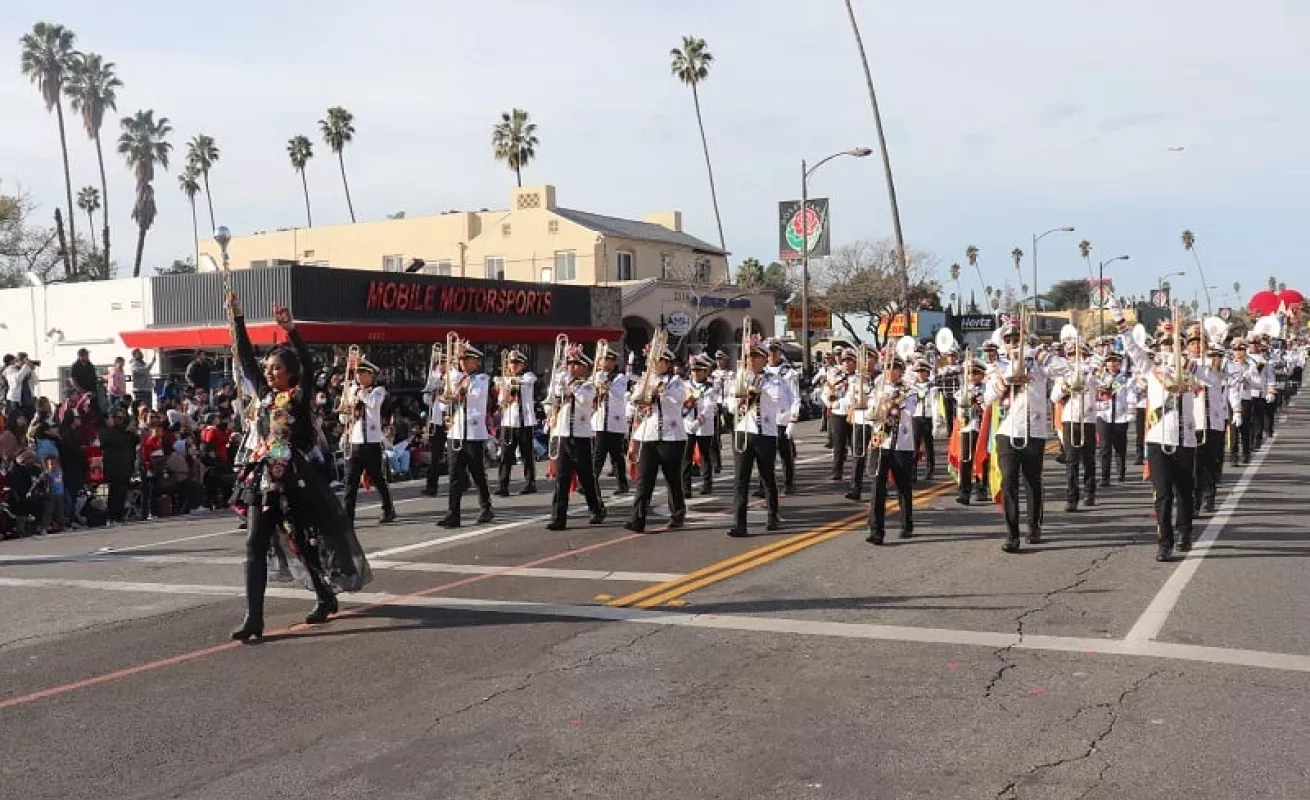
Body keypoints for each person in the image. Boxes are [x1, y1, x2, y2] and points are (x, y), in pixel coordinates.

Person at [224, 292, 371, 641]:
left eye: (277, 368)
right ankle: (254, 618)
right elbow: (245, 358)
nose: (269, 372)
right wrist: (238, 319)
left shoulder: (298, 397)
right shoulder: (262, 394)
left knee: (304, 542)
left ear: (289, 373)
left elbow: (307, 364)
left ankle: (324, 594)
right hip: (262, 477)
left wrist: (291, 331)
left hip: (295, 478)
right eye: (268, 368)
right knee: (255, 543)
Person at [1116, 314, 1200, 561]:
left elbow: (1210, 378)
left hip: (1184, 438)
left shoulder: (1192, 368)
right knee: (1163, 494)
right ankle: (1165, 542)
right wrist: (1121, 323)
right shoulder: (1152, 370)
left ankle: (1184, 531)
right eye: (1164, 344)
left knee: (1185, 492)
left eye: (1174, 343)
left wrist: (1191, 362)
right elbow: (1131, 348)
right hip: (1157, 439)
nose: (1168, 348)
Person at [983, 325, 1066, 553]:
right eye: (1008, 339)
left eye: (1016, 338)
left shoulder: (1038, 362)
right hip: (1007, 431)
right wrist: (1003, 384)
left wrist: (1042, 355)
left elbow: (1065, 370)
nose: (1013, 343)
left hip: (1034, 430)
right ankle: (1012, 535)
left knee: (1032, 481)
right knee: (1008, 481)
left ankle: (1033, 525)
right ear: (1003, 343)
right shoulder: (998, 367)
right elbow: (987, 398)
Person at [726, 340, 788, 537]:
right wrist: (739, 399)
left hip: (765, 433)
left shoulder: (774, 380)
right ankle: (739, 523)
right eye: (748, 357)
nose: (751, 361)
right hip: (743, 430)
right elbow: (728, 403)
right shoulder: (739, 378)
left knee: (767, 476)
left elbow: (782, 404)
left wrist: (759, 393)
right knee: (740, 479)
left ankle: (772, 515)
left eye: (755, 357)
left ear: (764, 359)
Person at [624, 344, 687, 534]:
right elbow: (635, 400)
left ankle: (677, 514)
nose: (654, 364)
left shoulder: (675, 381)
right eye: (652, 360)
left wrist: (659, 390)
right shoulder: (645, 379)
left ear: (666, 363)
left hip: (671, 436)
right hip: (649, 435)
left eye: (658, 361)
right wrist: (645, 390)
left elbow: (678, 399)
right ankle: (638, 519)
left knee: (672, 479)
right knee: (644, 479)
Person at [543, 345, 607, 530]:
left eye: (575, 364)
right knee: (562, 479)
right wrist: (557, 388)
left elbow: (585, 399)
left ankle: (597, 509)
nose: (571, 367)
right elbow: (551, 401)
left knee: (586, 478)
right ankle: (558, 518)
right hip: (564, 434)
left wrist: (568, 385)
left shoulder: (588, 386)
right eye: (569, 364)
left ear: (584, 367)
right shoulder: (562, 383)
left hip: (581, 436)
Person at [439, 343, 495, 529]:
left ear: (475, 362)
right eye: (461, 360)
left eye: (466, 359)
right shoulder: (453, 378)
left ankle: (486, 507)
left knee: (477, 473)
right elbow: (443, 404)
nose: (462, 363)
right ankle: (453, 514)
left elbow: (476, 394)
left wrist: (458, 384)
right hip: (455, 431)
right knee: (455, 476)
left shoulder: (481, 378)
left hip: (473, 433)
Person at [338, 356, 397, 526]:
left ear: (371, 375)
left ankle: (388, 509)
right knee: (350, 481)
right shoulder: (353, 391)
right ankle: (348, 516)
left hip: (372, 442)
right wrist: (347, 405)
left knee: (378, 478)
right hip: (355, 441)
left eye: (363, 373)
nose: (359, 377)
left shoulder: (378, 391)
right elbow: (343, 418)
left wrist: (357, 393)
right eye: (358, 373)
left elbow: (372, 404)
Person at [866, 357, 918, 544]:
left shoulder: (909, 390)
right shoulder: (877, 389)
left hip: (901, 444)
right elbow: (869, 414)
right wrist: (878, 408)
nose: (890, 371)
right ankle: (876, 530)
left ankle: (906, 523)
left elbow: (911, 409)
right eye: (888, 367)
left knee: (903, 487)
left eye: (895, 368)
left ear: (900, 370)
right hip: (880, 442)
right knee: (877, 487)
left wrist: (896, 405)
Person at [1051, 341, 1099, 512]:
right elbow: (1054, 397)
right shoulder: (1063, 374)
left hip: (1088, 419)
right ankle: (1071, 497)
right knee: (1072, 460)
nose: (1075, 358)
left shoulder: (1092, 370)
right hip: (1070, 419)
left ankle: (1089, 492)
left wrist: (1088, 372)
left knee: (1089, 459)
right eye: (1071, 355)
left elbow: (1101, 384)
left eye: (1079, 354)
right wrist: (1065, 387)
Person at [1192, 340, 1228, 514]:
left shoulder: (1217, 374)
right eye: (1212, 356)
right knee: (1195, 465)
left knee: (1210, 463)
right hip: (1195, 424)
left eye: (1218, 357)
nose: (1215, 359)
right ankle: (1195, 500)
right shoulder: (1194, 368)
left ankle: (1209, 497)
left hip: (1213, 424)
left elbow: (1210, 378)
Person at [495, 350, 538, 497]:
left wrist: (509, 381)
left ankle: (530, 483)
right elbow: (501, 401)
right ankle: (503, 484)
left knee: (527, 454)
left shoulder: (528, 376)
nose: (512, 366)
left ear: (522, 364)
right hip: (509, 422)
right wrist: (504, 391)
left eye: (515, 363)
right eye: (510, 363)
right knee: (506, 455)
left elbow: (528, 381)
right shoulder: (505, 380)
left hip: (525, 421)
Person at [590, 347, 630, 495]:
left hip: (615, 422)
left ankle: (622, 484)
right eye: (602, 359)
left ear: (613, 362)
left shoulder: (620, 377)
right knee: (597, 455)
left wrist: (605, 382)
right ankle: (590, 484)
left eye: (607, 360)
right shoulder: (596, 375)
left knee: (617, 456)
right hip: (600, 421)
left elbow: (619, 394)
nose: (603, 362)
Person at [765, 341, 800, 495]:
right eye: (769, 351)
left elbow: (795, 397)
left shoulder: (788, 373)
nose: (772, 355)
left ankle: (788, 483)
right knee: (765, 455)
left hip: (782, 418)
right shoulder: (762, 371)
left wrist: (792, 419)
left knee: (785, 454)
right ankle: (763, 485)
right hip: (766, 419)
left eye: (775, 351)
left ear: (780, 353)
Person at [682, 355, 720, 497]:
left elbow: (709, 407)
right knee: (686, 457)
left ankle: (707, 484)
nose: (696, 374)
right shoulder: (685, 386)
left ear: (705, 372)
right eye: (694, 371)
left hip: (703, 427)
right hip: (687, 425)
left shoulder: (710, 388)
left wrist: (699, 421)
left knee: (705, 455)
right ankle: (685, 487)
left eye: (699, 371)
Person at [953, 360, 988, 504]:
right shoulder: (963, 390)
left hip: (982, 428)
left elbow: (989, 406)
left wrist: (980, 402)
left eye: (976, 373)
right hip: (967, 427)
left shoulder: (987, 389)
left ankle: (981, 488)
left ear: (982, 374)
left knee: (982, 458)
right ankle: (964, 491)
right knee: (965, 459)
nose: (973, 376)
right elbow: (959, 405)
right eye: (970, 373)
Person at [1095, 352, 1133, 486]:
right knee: (1104, 447)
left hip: (1120, 416)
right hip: (1103, 415)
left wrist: (1129, 412)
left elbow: (1131, 396)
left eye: (1115, 361)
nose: (1112, 364)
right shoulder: (1099, 377)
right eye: (1109, 361)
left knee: (1120, 446)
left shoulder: (1125, 378)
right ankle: (1105, 477)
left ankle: (1121, 472)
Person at [826, 350, 857, 482]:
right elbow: (826, 392)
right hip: (838, 412)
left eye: (850, 361)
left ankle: (857, 472)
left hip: (853, 413)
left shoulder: (860, 378)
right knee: (838, 443)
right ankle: (837, 471)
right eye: (844, 361)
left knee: (854, 444)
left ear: (855, 363)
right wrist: (831, 403)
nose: (847, 364)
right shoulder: (835, 376)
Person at [421, 354, 448, 497]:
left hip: (451, 419)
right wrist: (431, 391)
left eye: (442, 363)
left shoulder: (455, 376)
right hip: (437, 419)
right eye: (438, 363)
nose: (440, 365)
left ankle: (464, 480)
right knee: (435, 455)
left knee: (459, 453)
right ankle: (432, 486)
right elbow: (425, 399)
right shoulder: (434, 377)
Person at [907, 361, 938, 481]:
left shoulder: (932, 388)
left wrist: (936, 423)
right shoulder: (912, 387)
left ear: (927, 373)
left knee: (929, 445)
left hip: (928, 417)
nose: (920, 374)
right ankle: (913, 471)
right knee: (914, 445)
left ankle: (930, 470)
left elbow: (935, 405)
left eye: (922, 372)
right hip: (916, 417)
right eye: (918, 372)